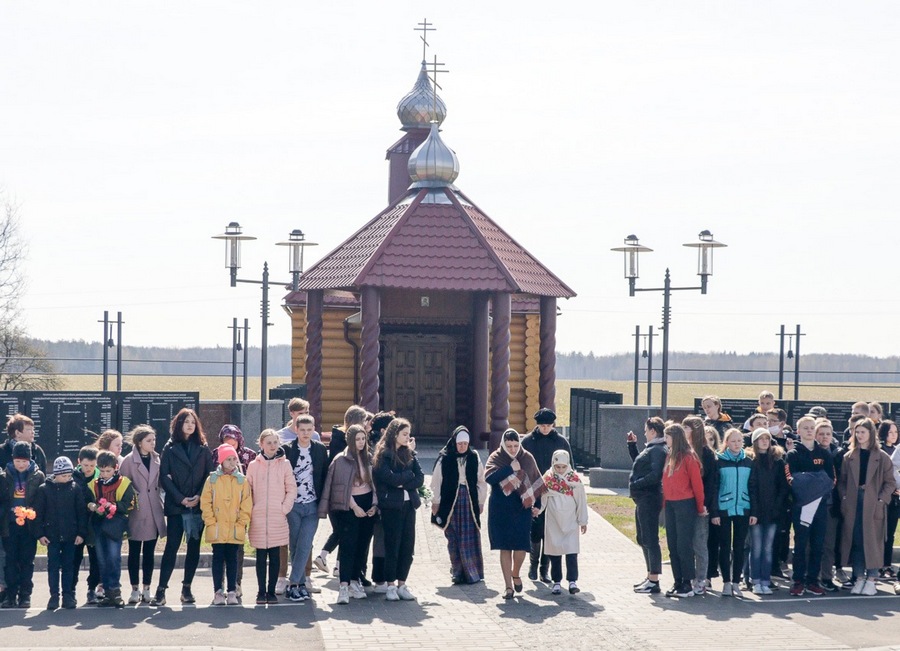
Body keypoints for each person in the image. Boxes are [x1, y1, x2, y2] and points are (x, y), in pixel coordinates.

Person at [151, 408, 214, 606]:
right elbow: (164, 476)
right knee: (172, 547)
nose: (190, 425)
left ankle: (187, 588)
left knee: (194, 548)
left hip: (196, 505)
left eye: (193, 422)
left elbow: (209, 475)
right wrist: (181, 498)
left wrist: (198, 496)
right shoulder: (170, 448)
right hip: (177, 506)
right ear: (179, 424)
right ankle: (161, 590)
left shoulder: (203, 448)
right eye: (186, 422)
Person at [319, 424, 378, 605]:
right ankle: (343, 586)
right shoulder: (341, 460)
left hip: (368, 504)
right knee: (348, 546)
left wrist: (374, 504)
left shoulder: (369, 458)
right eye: (357, 439)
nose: (361, 442)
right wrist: (354, 506)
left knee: (362, 546)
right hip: (349, 507)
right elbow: (339, 488)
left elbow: (374, 484)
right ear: (350, 440)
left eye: (363, 439)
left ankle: (354, 581)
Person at [485, 428, 545, 600]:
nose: (512, 449)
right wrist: (510, 468)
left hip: (521, 509)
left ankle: (516, 573)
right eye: (509, 446)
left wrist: (537, 505)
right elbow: (489, 478)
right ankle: (508, 587)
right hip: (500, 508)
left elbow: (536, 481)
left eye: (515, 445)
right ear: (503, 445)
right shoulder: (496, 457)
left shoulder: (527, 458)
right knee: (505, 547)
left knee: (521, 547)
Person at [838, 417, 895, 596]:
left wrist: (881, 500)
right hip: (853, 501)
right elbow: (842, 481)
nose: (859, 435)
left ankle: (872, 579)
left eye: (863, 432)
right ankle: (859, 578)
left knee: (872, 542)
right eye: (857, 432)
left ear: (871, 433)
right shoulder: (849, 456)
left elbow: (890, 483)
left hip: (873, 502)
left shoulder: (882, 457)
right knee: (856, 541)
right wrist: (844, 498)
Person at [313, 405, 369, 581]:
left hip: (350, 495)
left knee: (344, 532)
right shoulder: (340, 443)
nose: (366, 425)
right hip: (341, 494)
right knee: (344, 531)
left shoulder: (346, 439)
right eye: (364, 421)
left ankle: (336, 565)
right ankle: (325, 557)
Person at [373, 418, 424, 601]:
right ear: (394, 434)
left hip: (409, 505)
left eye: (408, 434)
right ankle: (391, 585)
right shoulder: (383, 455)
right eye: (404, 434)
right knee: (392, 545)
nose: (407, 437)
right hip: (391, 506)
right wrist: (407, 476)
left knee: (407, 546)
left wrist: (403, 481)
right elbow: (389, 478)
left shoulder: (409, 453)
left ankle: (402, 584)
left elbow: (420, 478)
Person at [521, 408, 573, 583]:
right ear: (537, 425)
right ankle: (533, 565)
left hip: (554, 493)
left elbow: (570, 468)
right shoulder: (528, 441)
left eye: (548, 425)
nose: (545, 429)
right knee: (535, 530)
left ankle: (545, 569)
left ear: (553, 425)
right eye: (542, 425)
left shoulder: (561, 442)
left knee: (550, 532)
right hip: (534, 491)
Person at [430, 426, 487, 585]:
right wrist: (436, 501)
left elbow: (481, 481)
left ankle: (472, 572)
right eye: (459, 444)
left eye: (465, 444)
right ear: (454, 442)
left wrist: (481, 501)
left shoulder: (474, 457)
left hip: (469, 501)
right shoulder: (445, 458)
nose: (462, 447)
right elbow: (436, 481)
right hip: (450, 502)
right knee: (453, 536)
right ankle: (457, 571)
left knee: (469, 537)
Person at [785, 416, 834, 597]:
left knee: (818, 544)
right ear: (798, 431)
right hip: (801, 505)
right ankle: (798, 580)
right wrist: (814, 481)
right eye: (805, 428)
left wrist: (809, 481)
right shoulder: (793, 454)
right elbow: (791, 479)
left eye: (812, 428)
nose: (809, 431)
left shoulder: (824, 454)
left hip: (820, 506)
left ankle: (813, 580)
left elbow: (831, 479)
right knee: (800, 544)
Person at [246, 428, 297, 605]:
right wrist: (252, 510)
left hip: (277, 516)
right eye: (269, 443)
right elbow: (248, 490)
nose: (272, 446)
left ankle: (271, 591)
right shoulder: (253, 466)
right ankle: (261, 592)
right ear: (261, 444)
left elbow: (291, 488)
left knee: (275, 556)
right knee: (261, 557)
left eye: (275, 442)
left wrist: (284, 508)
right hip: (259, 518)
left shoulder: (285, 464)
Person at [283, 414, 329, 603]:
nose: (305, 433)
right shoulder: (287, 449)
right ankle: (300, 585)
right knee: (294, 544)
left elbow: (325, 475)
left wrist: (324, 502)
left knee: (306, 542)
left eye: (309, 430)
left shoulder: (319, 449)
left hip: (312, 504)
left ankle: (293, 583)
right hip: (293, 504)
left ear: (313, 430)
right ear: (296, 430)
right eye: (302, 430)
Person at [118, 425, 165, 605]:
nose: (153, 443)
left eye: (154, 440)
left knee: (149, 552)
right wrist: (134, 495)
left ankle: (147, 588)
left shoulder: (157, 459)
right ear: (139, 442)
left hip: (154, 510)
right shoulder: (129, 461)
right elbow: (123, 484)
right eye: (149, 440)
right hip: (136, 511)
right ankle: (134, 589)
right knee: (134, 551)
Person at [201, 445, 253, 606]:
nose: (232, 462)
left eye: (234, 459)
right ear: (221, 461)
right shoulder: (212, 480)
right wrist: (210, 521)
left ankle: (232, 591)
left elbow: (246, 503)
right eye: (228, 459)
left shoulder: (242, 481)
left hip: (235, 527)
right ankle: (218, 591)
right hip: (217, 527)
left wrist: (242, 522)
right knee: (217, 559)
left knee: (233, 559)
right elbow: (206, 502)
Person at [34, 456, 87, 610]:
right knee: (53, 567)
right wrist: (40, 534)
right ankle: (54, 596)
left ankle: (68, 595)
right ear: (56, 474)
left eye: (69, 475)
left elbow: (81, 513)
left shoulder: (75, 488)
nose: (67, 478)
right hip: (51, 536)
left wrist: (81, 533)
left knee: (69, 566)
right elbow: (38, 513)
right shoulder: (44, 489)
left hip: (71, 535)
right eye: (64, 475)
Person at [86, 450, 136, 608]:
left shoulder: (124, 483)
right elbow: (87, 501)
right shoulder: (93, 484)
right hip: (98, 525)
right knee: (101, 560)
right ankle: (107, 593)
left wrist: (113, 505)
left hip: (115, 526)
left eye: (108, 471)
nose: (105, 474)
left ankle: (115, 592)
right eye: (101, 471)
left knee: (114, 558)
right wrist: (93, 506)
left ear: (116, 468)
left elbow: (130, 504)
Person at [661, 423, 704, 599]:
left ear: (675, 437)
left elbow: (697, 484)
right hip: (671, 504)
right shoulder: (670, 456)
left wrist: (700, 507)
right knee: (672, 544)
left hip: (685, 504)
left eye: (667, 437)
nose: (665, 440)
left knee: (683, 544)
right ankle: (677, 580)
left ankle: (687, 582)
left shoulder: (688, 457)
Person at [0, 441, 45, 608]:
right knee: (10, 561)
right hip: (10, 526)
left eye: (24, 461)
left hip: (29, 526)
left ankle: (25, 594)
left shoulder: (38, 476)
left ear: (30, 460)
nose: (20, 464)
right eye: (17, 461)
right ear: (12, 459)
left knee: (27, 560)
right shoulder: (4, 476)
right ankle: (11, 594)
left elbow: (41, 500)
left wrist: (32, 511)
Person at [539, 449, 587, 595]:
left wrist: (583, 520)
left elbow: (581, 501)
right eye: (557, 467)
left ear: (568, 465)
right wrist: (538, 510)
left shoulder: (575, 480)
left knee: (571, 551)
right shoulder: (548, 478)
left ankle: (572, 581)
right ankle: (556, 581)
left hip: (570, 520)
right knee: (555, 552)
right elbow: (543, 497)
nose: (560, 470)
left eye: (563, 467)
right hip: (553, 520)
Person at [711, 428, 752, 598]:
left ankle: (736, 582)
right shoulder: (719, 461)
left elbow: (753, 487)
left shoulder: (748, 461)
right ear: (726, 442)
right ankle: (726, 582)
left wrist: (753, 512)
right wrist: (715, 512)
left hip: (743, 508)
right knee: (725, 546)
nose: (736, 444)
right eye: (733, 441)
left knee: (740, 546)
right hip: (724, 509)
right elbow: (714, 487)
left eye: (739, 441)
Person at [627, 417, 667, 594]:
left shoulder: (658, 449)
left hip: (650, 498)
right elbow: (641, 465)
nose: (644, 433)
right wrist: (632, 446)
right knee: (642, 538)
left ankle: (654, 580)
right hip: (643, 499)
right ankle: (650, 575)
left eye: (646, 430)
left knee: (650, 539)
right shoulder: (651, 448)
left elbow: (655, 474)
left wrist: (636, 484)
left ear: (653, 431)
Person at [747, 428, 788, 595]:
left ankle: (765, 580)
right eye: (761, 438)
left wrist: (777, 507)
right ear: (755, 442)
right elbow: (751, 487)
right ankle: (755, 580)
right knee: (756, 548)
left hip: (773, 512)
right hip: (756, 512)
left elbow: (783, 487)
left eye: (767, 438)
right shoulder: (751, 461)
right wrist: (753, 511)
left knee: (768, 548)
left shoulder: (778, 461)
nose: (764, 441)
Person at [217, 424, 256, 598]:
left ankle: (236, 583)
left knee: (238, 549)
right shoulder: (216, 454)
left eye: (233, 439)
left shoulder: (249, 455)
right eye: (226, 439)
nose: (230, 442)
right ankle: (220, 584)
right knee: (220, 551)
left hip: (239, 510)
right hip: (220, 512)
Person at [683, 416, 716, 594]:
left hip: (701, 506)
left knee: (700, 543)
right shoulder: (683, 450)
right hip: (684, 504)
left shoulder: (706, 453)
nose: (684, 431)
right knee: (686, 544)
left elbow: (711, 483)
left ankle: (701, 579)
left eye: (686, 428)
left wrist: (704, 505)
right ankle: (688, 578)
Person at [367, 411, 395, 593]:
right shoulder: (376, 449)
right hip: (376, 500)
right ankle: (379, 578)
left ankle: (377, 578)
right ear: (385, 430)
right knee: (380, 540)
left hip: (380, 500)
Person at [72, 446, 101, 604]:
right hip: (76, 525)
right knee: (74, 558)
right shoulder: (72, 478)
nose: (88, 469)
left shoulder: (100, 478)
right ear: (79, 462)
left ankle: (92, 589)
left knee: (95, 559)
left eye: (92, 465)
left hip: (94, 525)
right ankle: (71, 590)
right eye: (85, 465)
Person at [877, 419, 900, 579]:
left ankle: (887, 565)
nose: (893, 435)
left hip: (896, 497)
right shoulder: (880, 450)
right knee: (884, 532)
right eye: (890, 432)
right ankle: (880, 565)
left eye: (896, 432)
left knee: (890, 533)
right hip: (886, 496)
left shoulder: (896, 448)